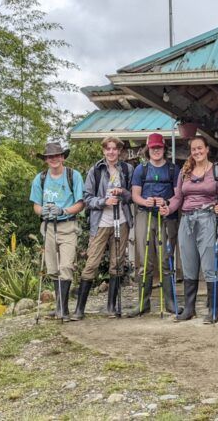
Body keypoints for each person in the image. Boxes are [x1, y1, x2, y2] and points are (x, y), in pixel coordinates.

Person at [161, 137, 218, 323]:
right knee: (189, 264)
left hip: (207, 219)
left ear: (207, 149)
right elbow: (177, 198)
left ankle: (213, 310)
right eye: (193, 149)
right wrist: (168, 208)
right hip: (187, 219)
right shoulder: (185, 171)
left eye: (200, 148)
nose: (197, 152)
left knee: (208, 265)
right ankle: (189, 309)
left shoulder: (217, 171)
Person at [76, 137, 133, 320]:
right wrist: (104, 201)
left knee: (117, 263)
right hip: (100, 222)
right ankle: (79, 309)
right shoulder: (96, 170)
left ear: (119, 151)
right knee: (92, 263)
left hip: (121, 220)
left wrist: (122, 193)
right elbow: (87, 198)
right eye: (108, 149)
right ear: (103, 151)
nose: (111, 152)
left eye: (115, 149)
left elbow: (133, 195)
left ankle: (111, 306)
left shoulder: (126, 170)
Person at [29, 142, 85, 322]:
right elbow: (36, 205)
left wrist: (64, 211)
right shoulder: (40, 179)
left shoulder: (73, 176)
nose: (53, 159)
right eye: (49, 157)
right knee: (53, 268)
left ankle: (63, 309)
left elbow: (80, 203)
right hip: (48, 226)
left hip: (68, 225)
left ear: (62, 157)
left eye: (56, 156)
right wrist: (43, 211)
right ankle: (60, 307)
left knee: (66, 266)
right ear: (45, 160)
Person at [130, 132, 181, 316]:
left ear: (164, 148)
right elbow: (135, 195)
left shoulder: (173, 170)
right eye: (153, 148)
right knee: (145, 260)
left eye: (159, 147)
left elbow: (178, 195)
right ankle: (143, 303)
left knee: (167, 259)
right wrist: (146, 201)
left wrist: (166, 203)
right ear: (148, 149)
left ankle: (170, 303)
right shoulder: (140, 170)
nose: (156, 150)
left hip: (166, 217)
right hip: (145, 215)